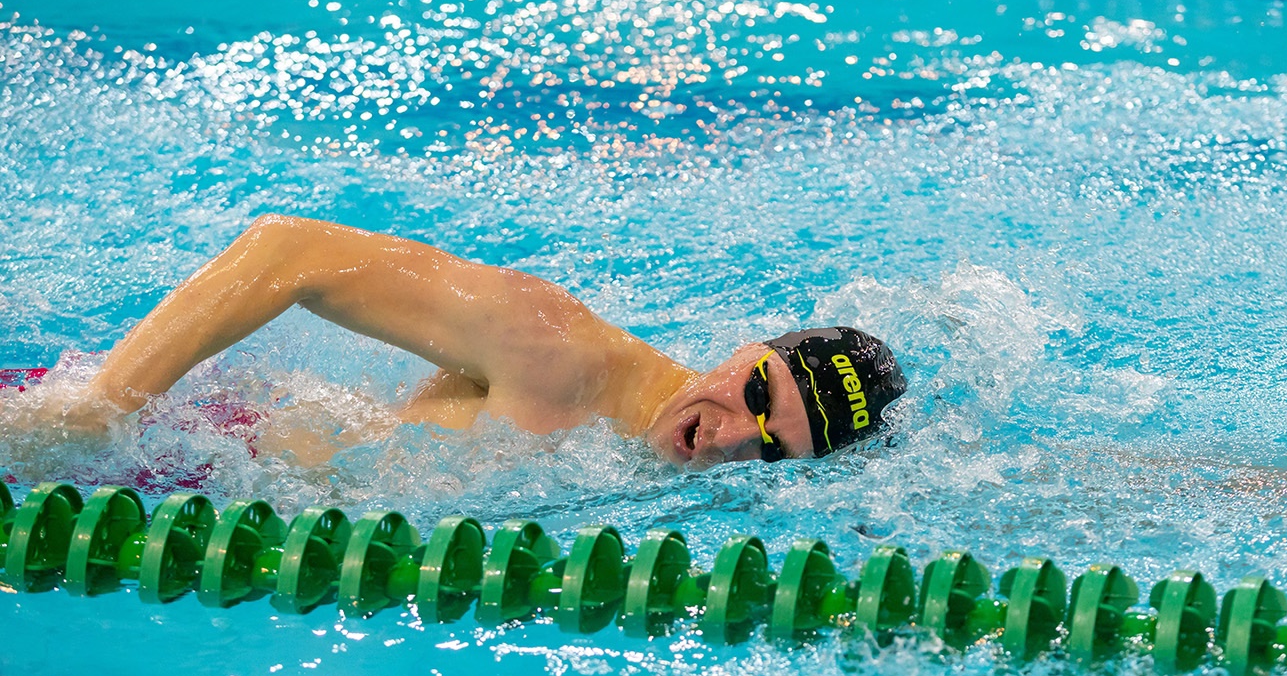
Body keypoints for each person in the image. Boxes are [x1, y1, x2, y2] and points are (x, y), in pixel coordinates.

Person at [57, 215, 908, 467]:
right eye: (756, 392)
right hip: (181, 450)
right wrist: (104, 409)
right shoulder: (557, 352)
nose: (726, 432)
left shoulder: (659, 472)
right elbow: (287, 251)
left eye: (767, 449)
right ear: (746, 347)